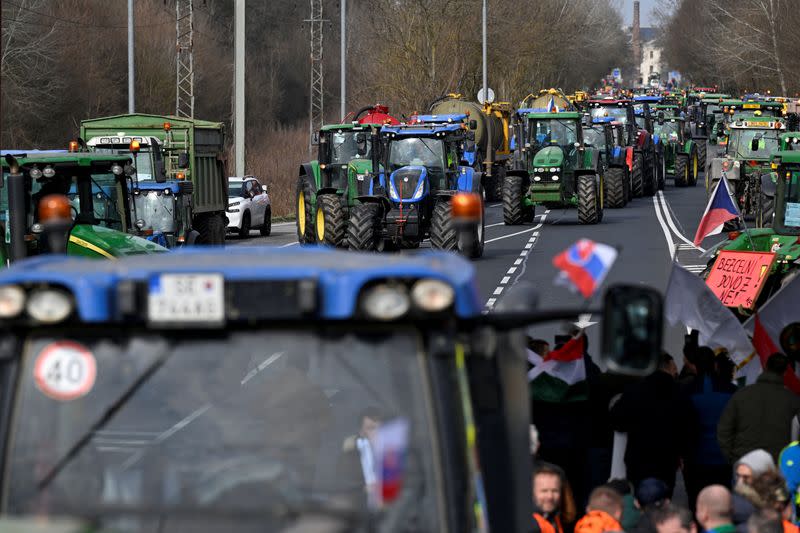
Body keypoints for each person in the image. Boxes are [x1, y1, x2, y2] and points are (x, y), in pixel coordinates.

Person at [610, 353, 697, 494]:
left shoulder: (635, 389)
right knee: (663, 500)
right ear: (667, 366)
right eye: (674, 367)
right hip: (666, 459)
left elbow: (617, 421)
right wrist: (683, 453)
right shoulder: (678, 392)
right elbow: (689, 426)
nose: (676, 371)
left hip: (637, 458)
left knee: (638, 500)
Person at [717, 353, 800, 464]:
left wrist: (733, 458)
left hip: (744, 461)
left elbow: (724, 430)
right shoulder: (792, 399)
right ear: (785, 372)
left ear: (765, 366)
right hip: (776, 463)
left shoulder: (742, 394)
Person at [684, 347, 738, 509]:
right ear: (715, 365)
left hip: (696, 459)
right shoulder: (732, 390)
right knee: (723, 505)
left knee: (697, 504)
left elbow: (682, 426)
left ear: (694, 365)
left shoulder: (686, 391)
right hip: (724, 458)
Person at [732, 450, 777, 532]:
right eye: (738, 476)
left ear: (762, 476)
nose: (739, 482)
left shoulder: (780, 497)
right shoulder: (735, 498)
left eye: (746, 477)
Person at [532, 462, 577, 533]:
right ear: (532, 492)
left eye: (555, 491)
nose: (550, 496)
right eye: (544, 491)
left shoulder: (561, 521)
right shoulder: (525, 525)